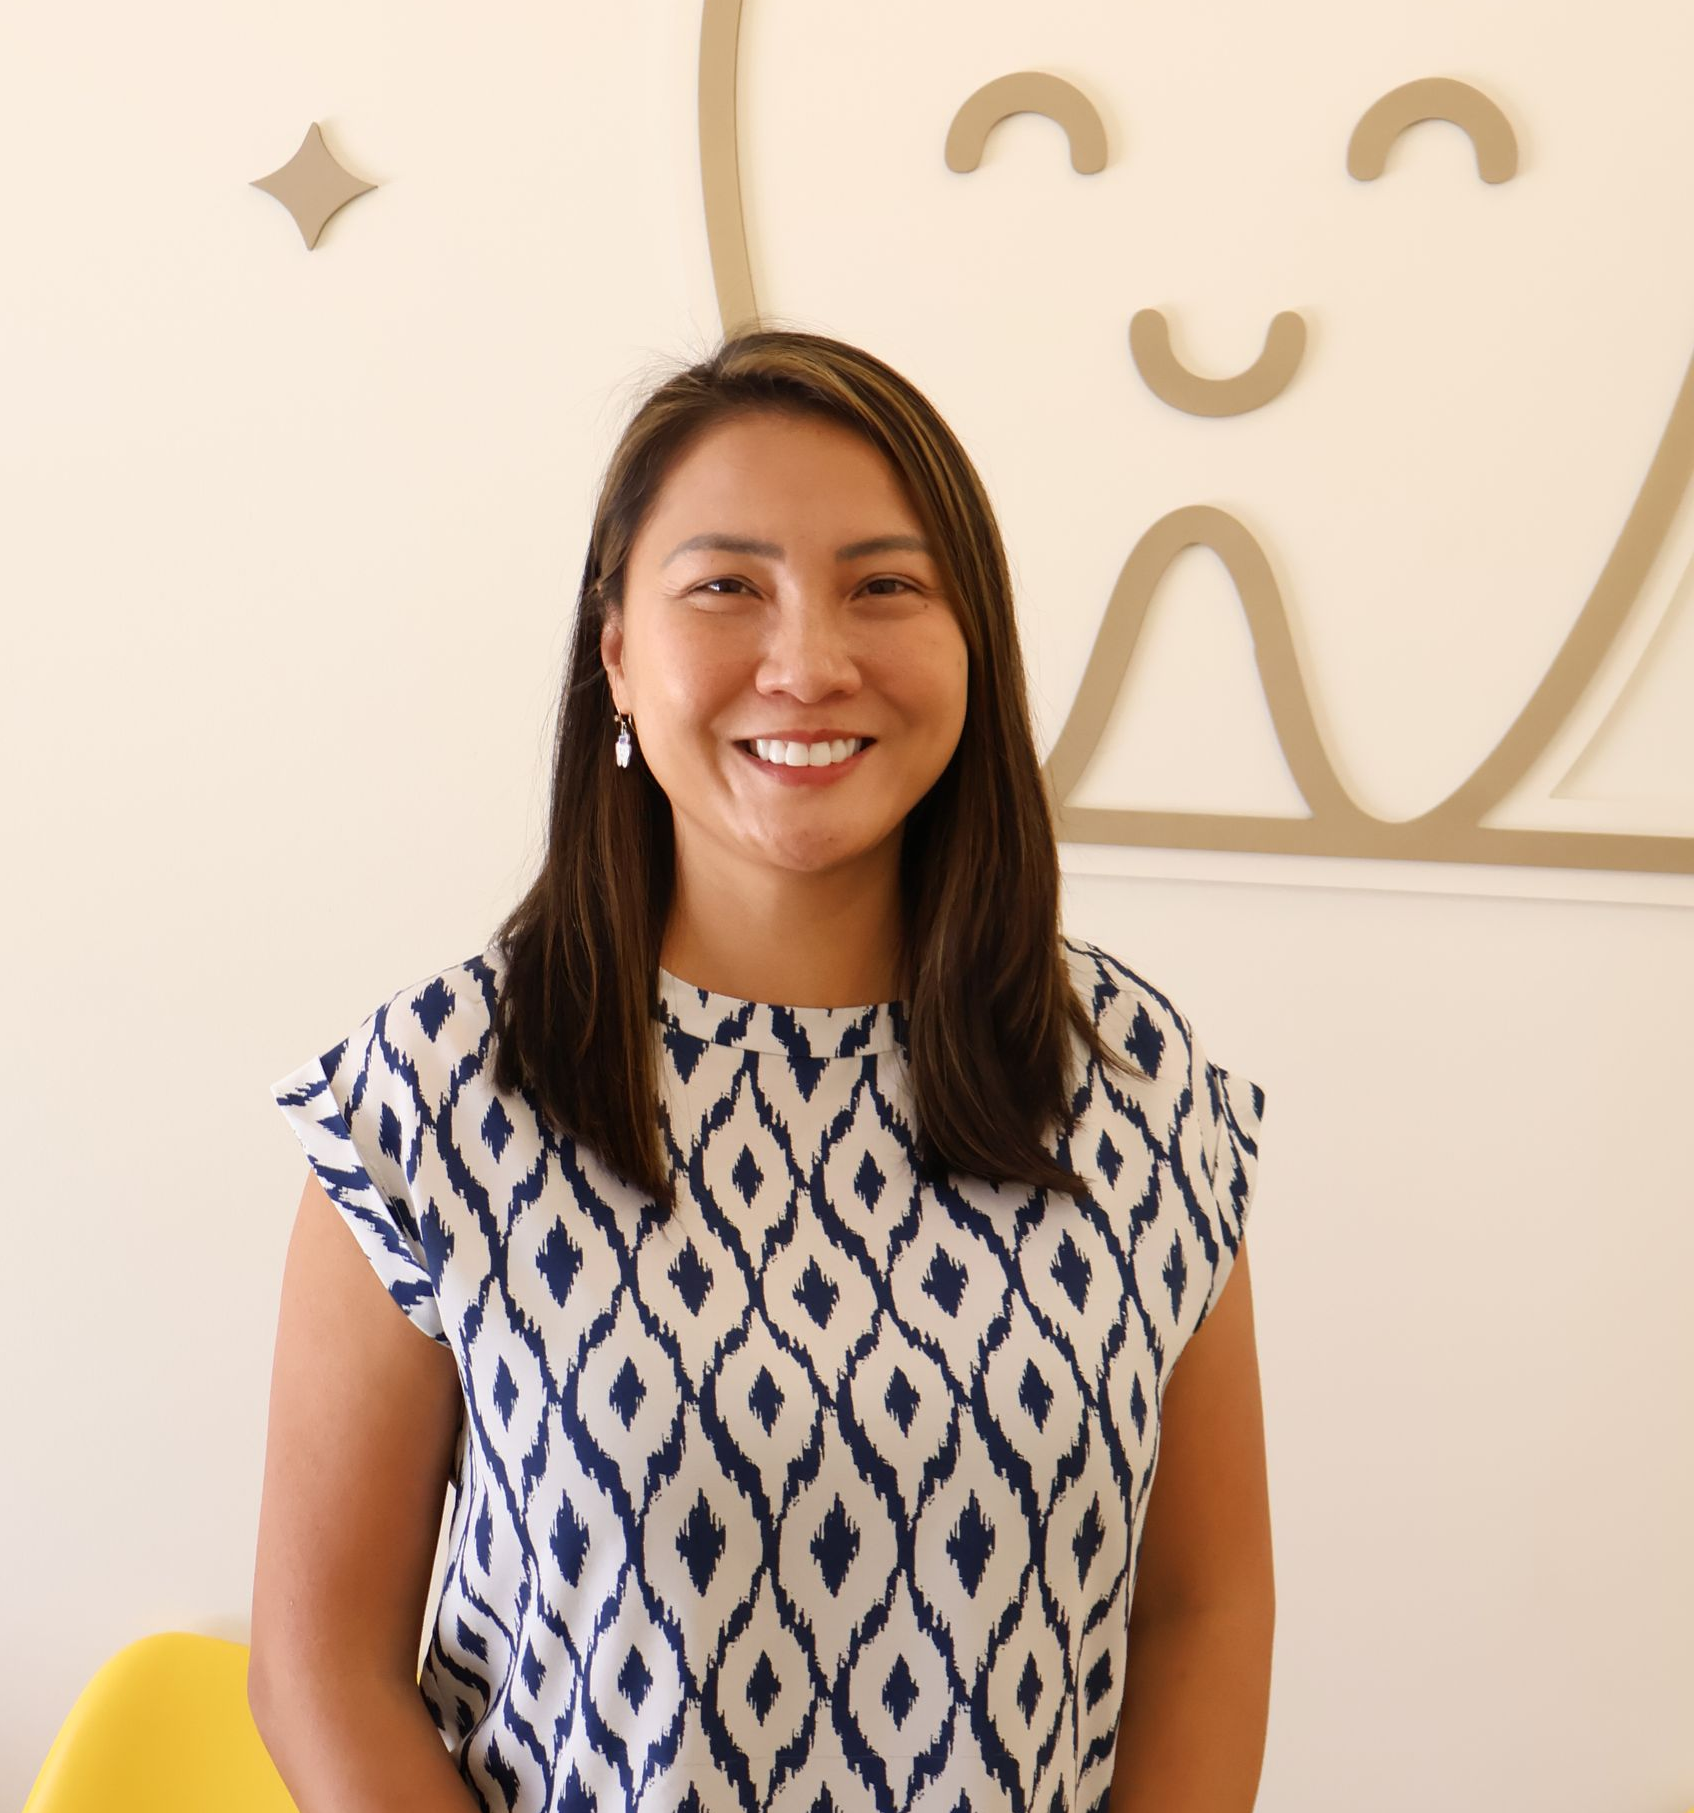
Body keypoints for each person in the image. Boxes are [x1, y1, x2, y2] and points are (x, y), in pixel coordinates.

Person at [250, 326, 1272, 1813]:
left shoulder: (1138, 1092)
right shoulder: (435, 1096)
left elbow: (1205, 1615)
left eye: (885, 587)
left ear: (971, 644)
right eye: (727, 586)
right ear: (616, 649)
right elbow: (319, 1661)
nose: (807, 662)